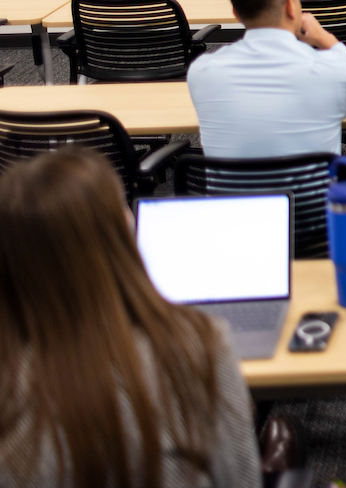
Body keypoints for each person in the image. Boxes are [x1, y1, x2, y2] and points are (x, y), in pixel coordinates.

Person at [0, 148, 260, 487]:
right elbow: (241, 479)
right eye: (122, 205)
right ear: (116, 237)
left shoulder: (10, 386)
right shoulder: (195, 345)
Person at [187, 0, 346, 159]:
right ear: (290, 6)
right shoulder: (330, 69)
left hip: (235, 196)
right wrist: (325, 38)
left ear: (235, 13)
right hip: (312, 196)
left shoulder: (202, 72)